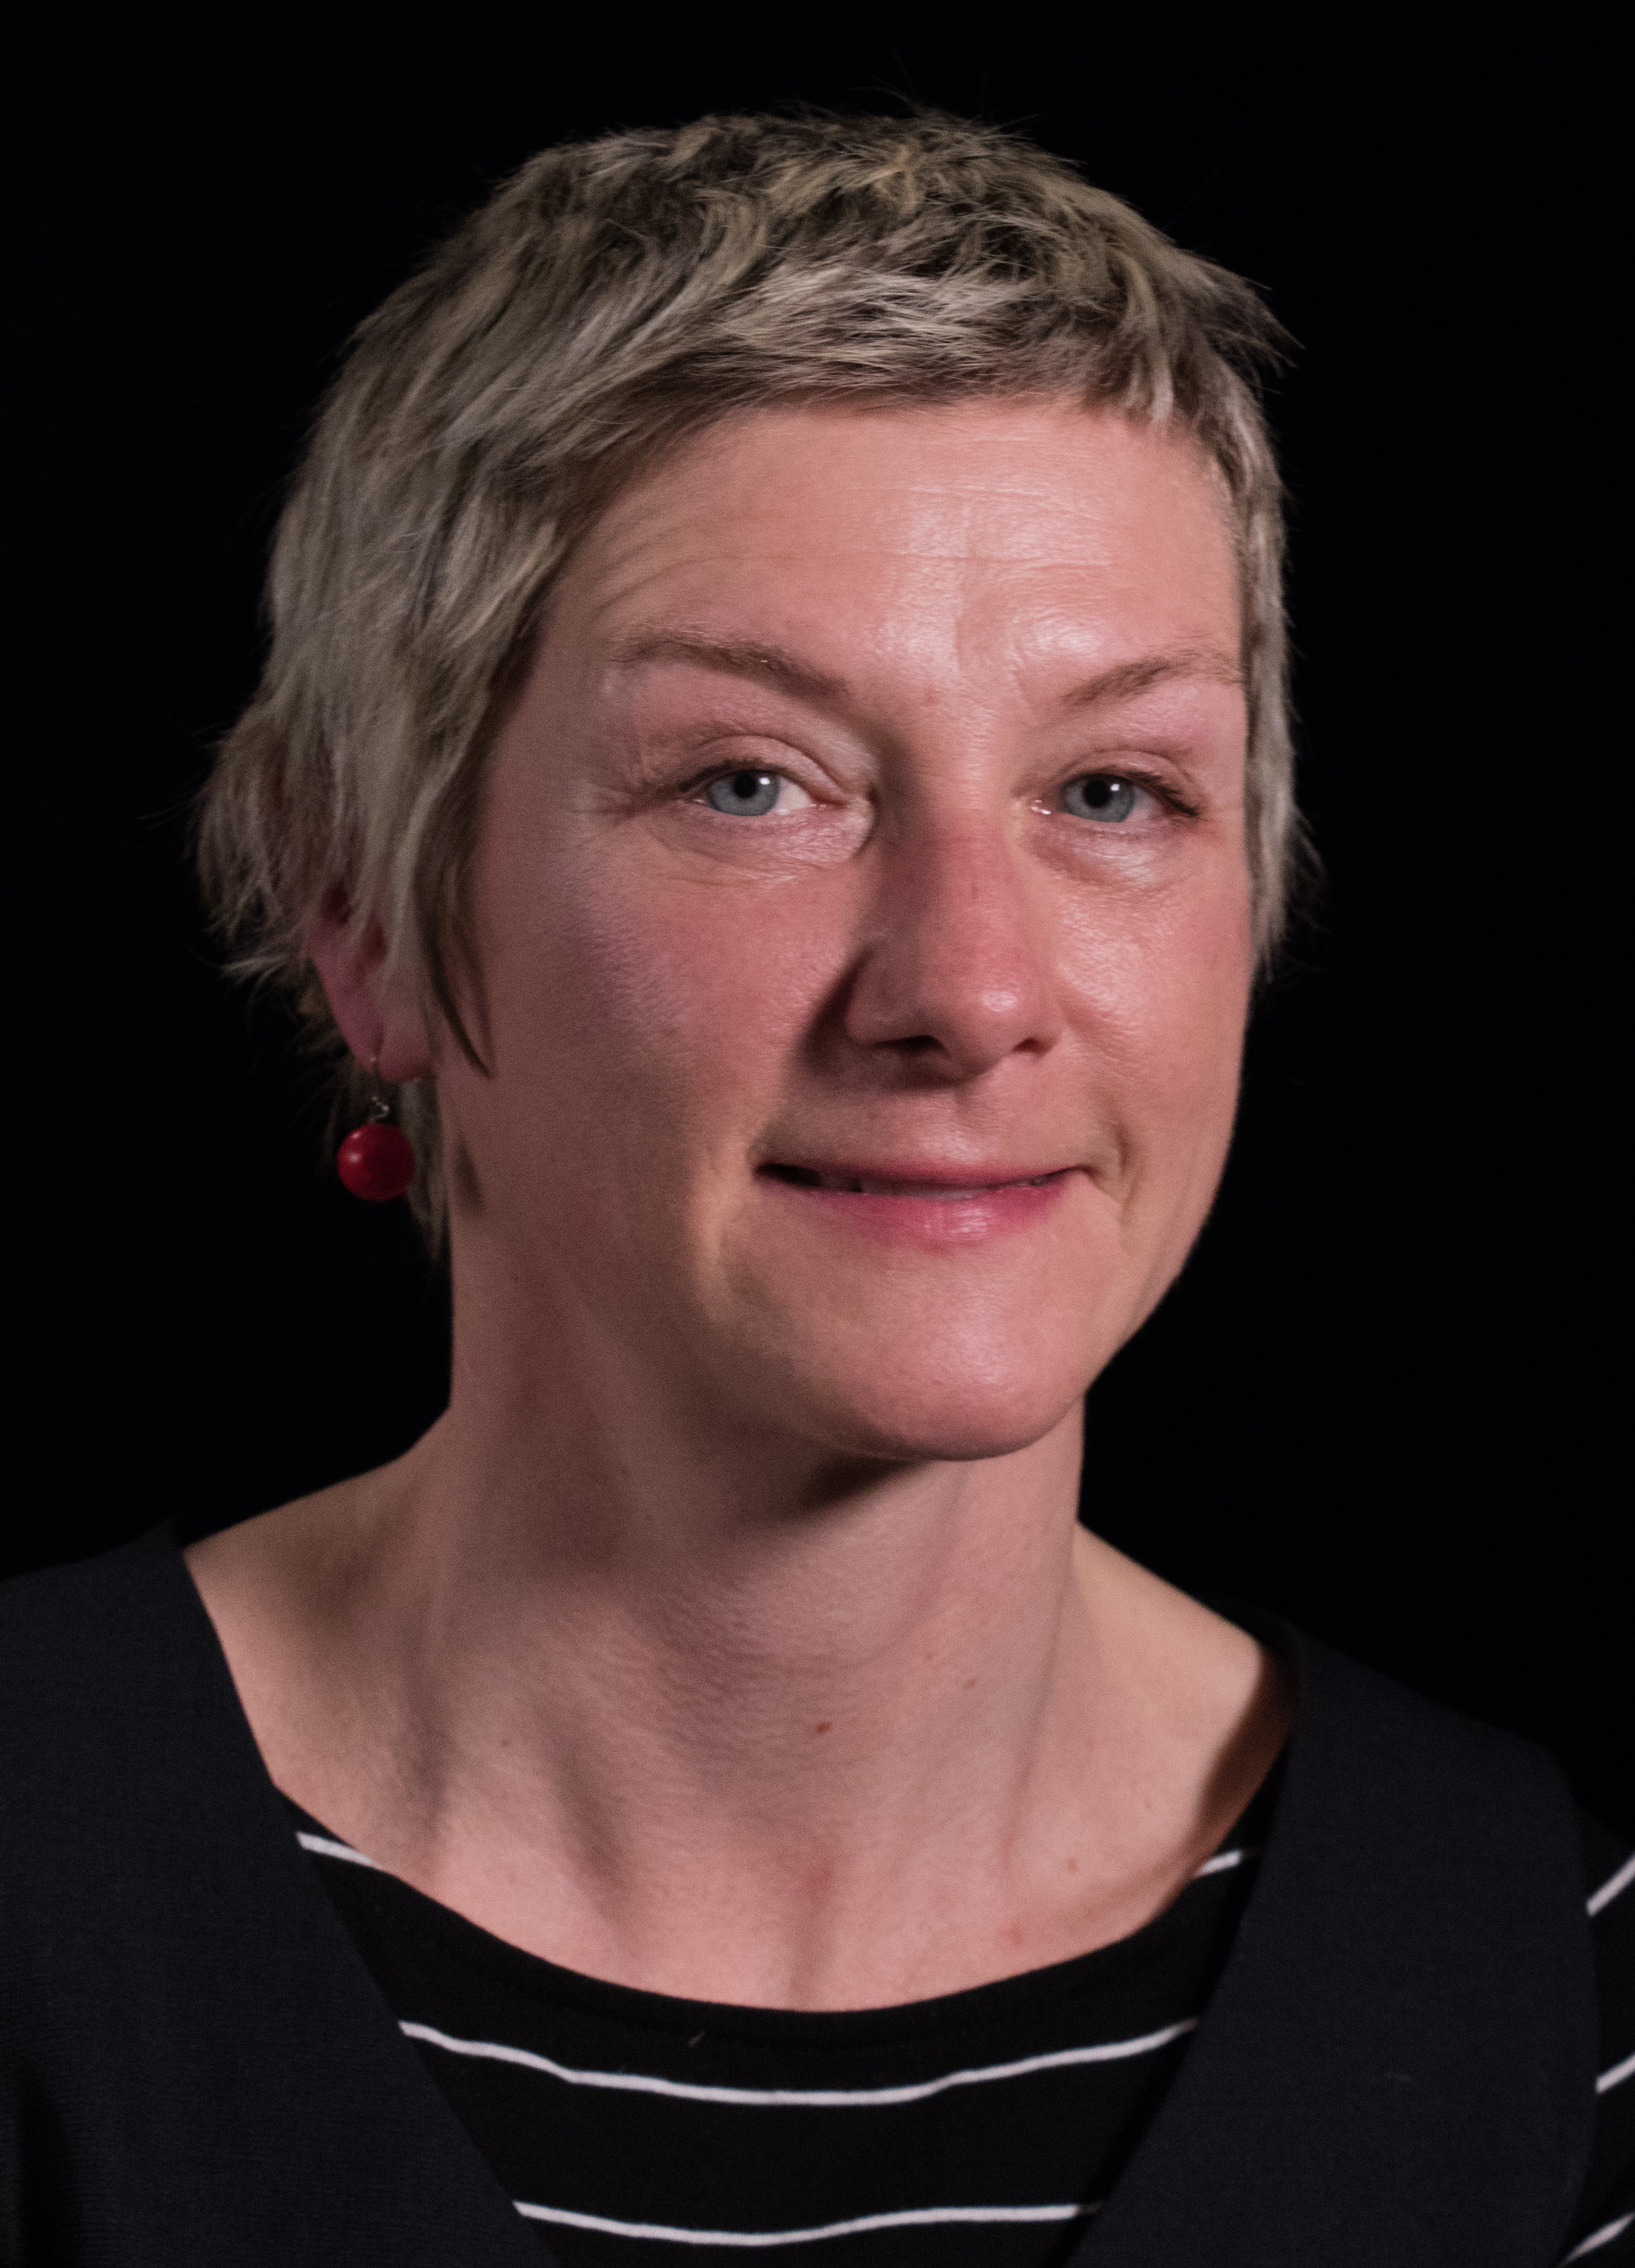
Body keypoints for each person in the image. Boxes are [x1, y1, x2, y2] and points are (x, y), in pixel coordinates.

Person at [1, 112, 1629, 2268]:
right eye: (753, 782)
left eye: (1112, 788)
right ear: (362, 908)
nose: (968, 990)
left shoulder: (1543, 1983)